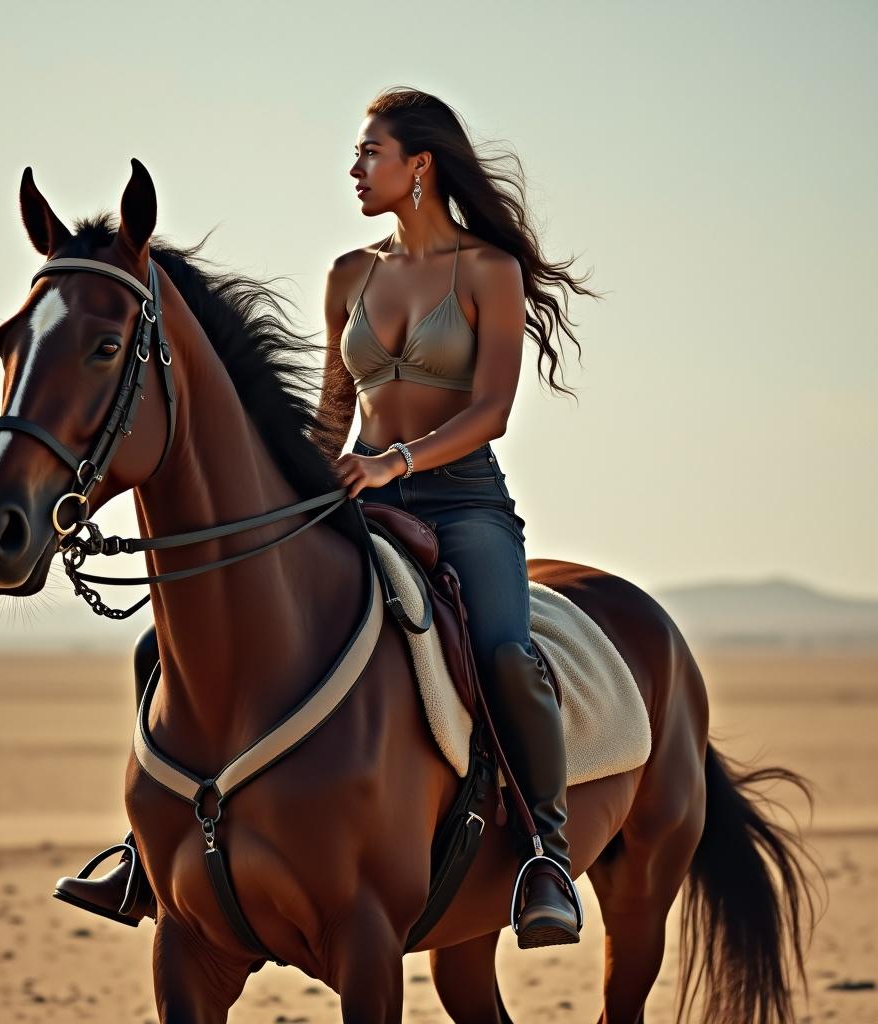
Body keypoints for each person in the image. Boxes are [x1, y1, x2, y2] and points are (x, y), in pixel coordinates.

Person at [54, 87, 598, 947]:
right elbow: (332, 412)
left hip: (464, 504)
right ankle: (148, 850)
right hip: (355, 494)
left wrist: (398, 459)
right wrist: (288, 481)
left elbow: (491, 409)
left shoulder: (488, 271)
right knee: (167, 642)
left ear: (419, 166)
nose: (354, 169)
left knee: (504, 652)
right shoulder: (352, 275)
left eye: (369, 153)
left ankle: (545, 858)